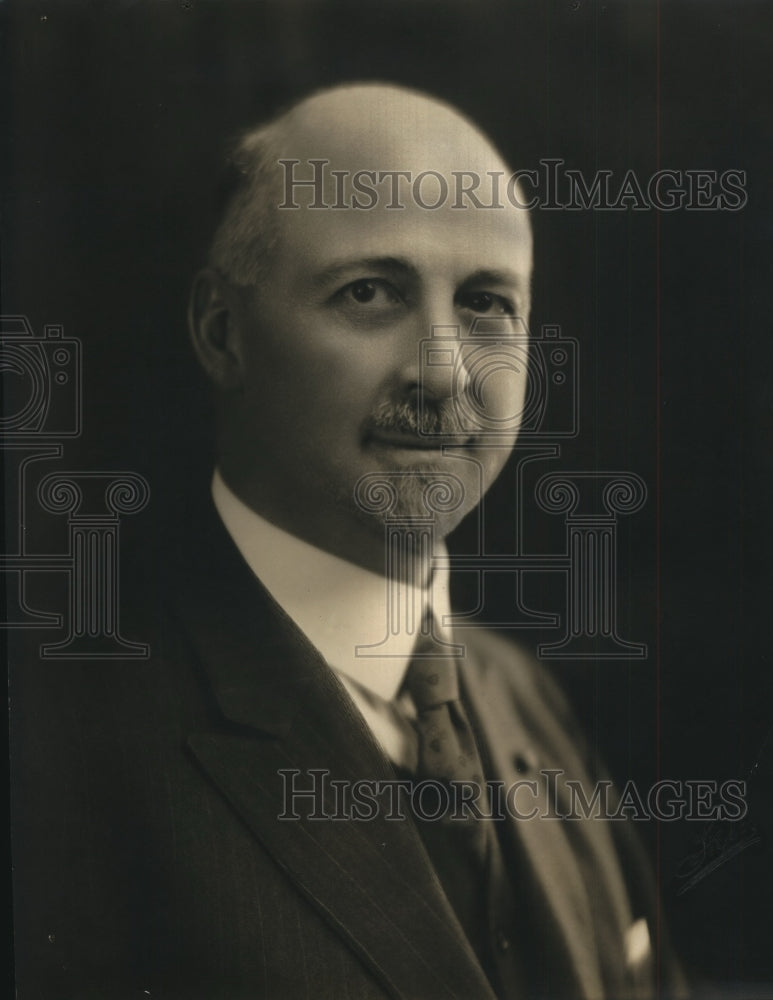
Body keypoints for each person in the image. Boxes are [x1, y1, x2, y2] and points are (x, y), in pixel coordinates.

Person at [11, 83, 686, 999]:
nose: (445, 372)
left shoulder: (525, 703)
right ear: (221, 333)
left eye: (488, 304)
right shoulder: (55, 744)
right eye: (370, 292)